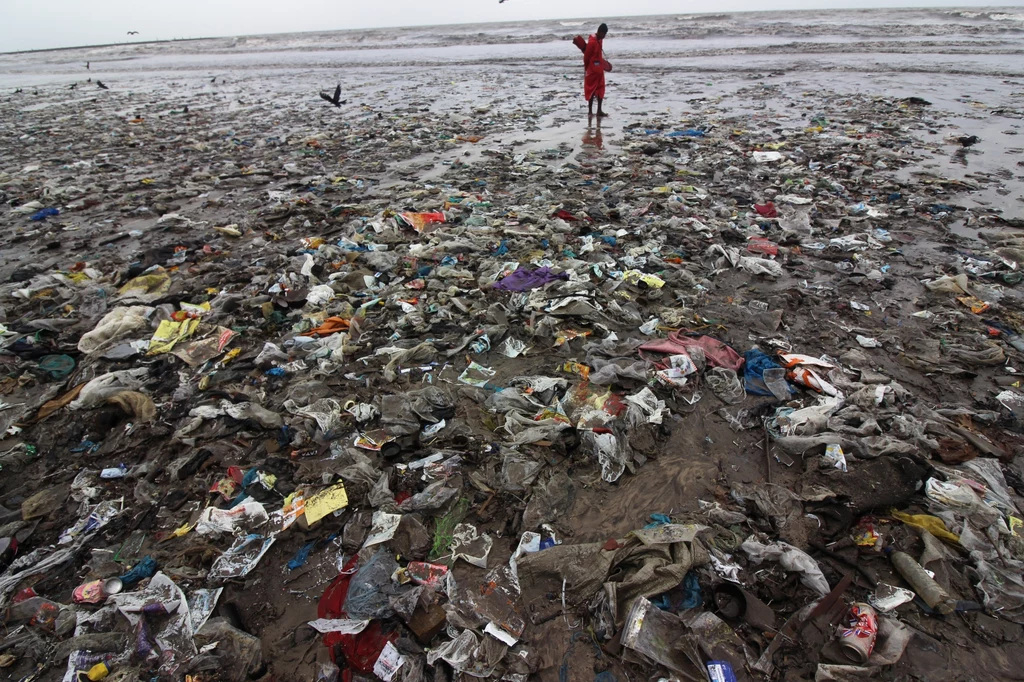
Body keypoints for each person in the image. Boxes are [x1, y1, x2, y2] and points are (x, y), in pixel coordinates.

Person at [583, 23, 609, 119]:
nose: (604, 36)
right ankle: (590, 111)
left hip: (599, 69)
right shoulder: (592, 42)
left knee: (601, 89)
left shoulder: (600, 40)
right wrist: (586, 68)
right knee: (591, 90)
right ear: (600, 32)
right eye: (604, 34)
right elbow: (587, 56)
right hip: (592, 70)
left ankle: (599, 110)